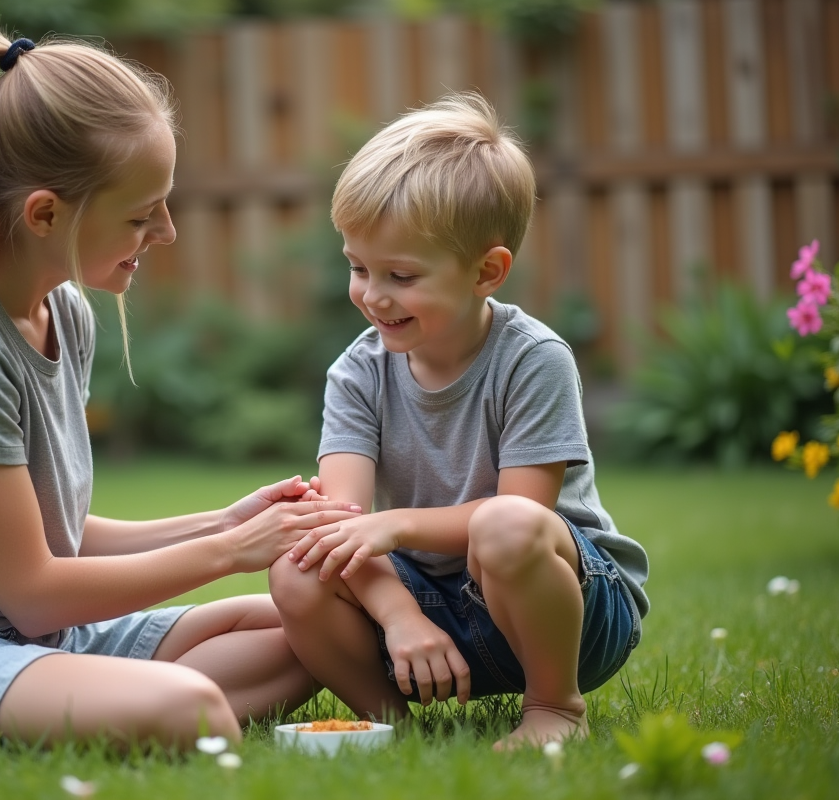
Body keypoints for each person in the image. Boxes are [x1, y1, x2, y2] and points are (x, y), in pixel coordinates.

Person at [0, 30, 362, 749]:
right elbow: (31, 592)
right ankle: (134, 703)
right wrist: (232, 552)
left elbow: (55, 536)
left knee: (307, 630)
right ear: (44, 215)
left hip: (40, 637)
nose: (167, 231)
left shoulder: (62, 311)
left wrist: (225, 521)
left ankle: (109, 700)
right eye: (139, 214)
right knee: (189, 710)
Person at [268, 92, 649, 749]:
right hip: (429, 611)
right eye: (358, 267)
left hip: (569, 610)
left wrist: (398, 524)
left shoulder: (533, 359)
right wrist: (399, 617)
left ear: (487, 272)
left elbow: (524, 513)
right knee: (299, 564)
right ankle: (393, 725)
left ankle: (555, 708)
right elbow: (340, 525)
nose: (373, 295)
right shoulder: (357, 374)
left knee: (505, 524)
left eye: (402, 275)